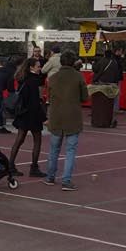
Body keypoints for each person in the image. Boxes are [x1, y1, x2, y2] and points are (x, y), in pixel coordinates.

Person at [43, 50, 85, 189]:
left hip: (56, 117)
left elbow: (48, 97)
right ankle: (66, 180)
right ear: (73, 62)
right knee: (70, 150)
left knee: (54, 149)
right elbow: (85, 97)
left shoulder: (53, 78)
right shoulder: (78, 77)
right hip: (72, 118)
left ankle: (50, 177)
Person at [7, 60, 46, 176]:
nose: (40, 68)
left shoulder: (22, 78)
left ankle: (11, 165)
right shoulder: (33, 81)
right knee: (37, 140)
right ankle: (34, 167)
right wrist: (43, 118)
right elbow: (34, 103)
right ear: (31, 67)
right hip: (32, 115)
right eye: (38, 66)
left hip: (23, 114)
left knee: (19, 140)